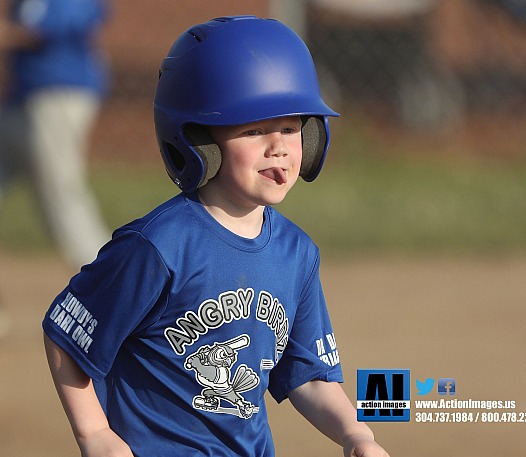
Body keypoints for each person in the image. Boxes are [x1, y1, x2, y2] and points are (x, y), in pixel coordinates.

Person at [42, 16, 391, 457]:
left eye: (290, 127)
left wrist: (355, 434)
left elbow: (308, 376)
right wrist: (94, 434)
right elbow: (67, 335)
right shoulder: (159, 247)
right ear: (200, 141)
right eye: (253, 130)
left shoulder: (297, 254)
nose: (278, 146)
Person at [0, 0, 111, 271]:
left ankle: (109, 276)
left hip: (58, 92)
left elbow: (52, 26)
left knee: (59, 190)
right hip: (24, 97)